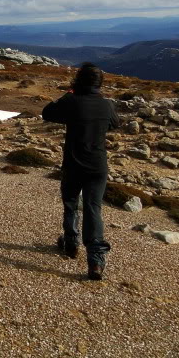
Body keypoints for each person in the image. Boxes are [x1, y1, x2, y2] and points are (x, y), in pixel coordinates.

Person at [42, 62, 120, 281]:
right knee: (93, 208)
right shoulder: (106, 105)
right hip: (98, 165)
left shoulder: (72, 101)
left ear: (78, 81)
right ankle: (95, 260)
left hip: (73, 163)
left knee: (70, 202)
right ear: (99, 83)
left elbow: (47, 113)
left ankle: (71, 242)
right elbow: (116, 124)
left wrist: (68, 95)